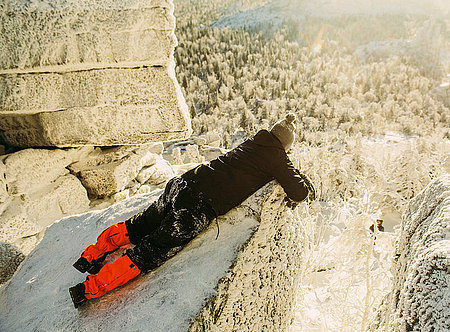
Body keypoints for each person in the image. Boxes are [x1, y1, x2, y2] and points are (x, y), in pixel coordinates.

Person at [69, 113, 315, 308]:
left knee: (138, 226)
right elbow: (299, 192)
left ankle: (91, 255)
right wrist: (300, 176)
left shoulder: (255, 141)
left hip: (182, 184)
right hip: (196, 206)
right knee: (149, 251)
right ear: (285, 146)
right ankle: (89, 289)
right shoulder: (277, 158)